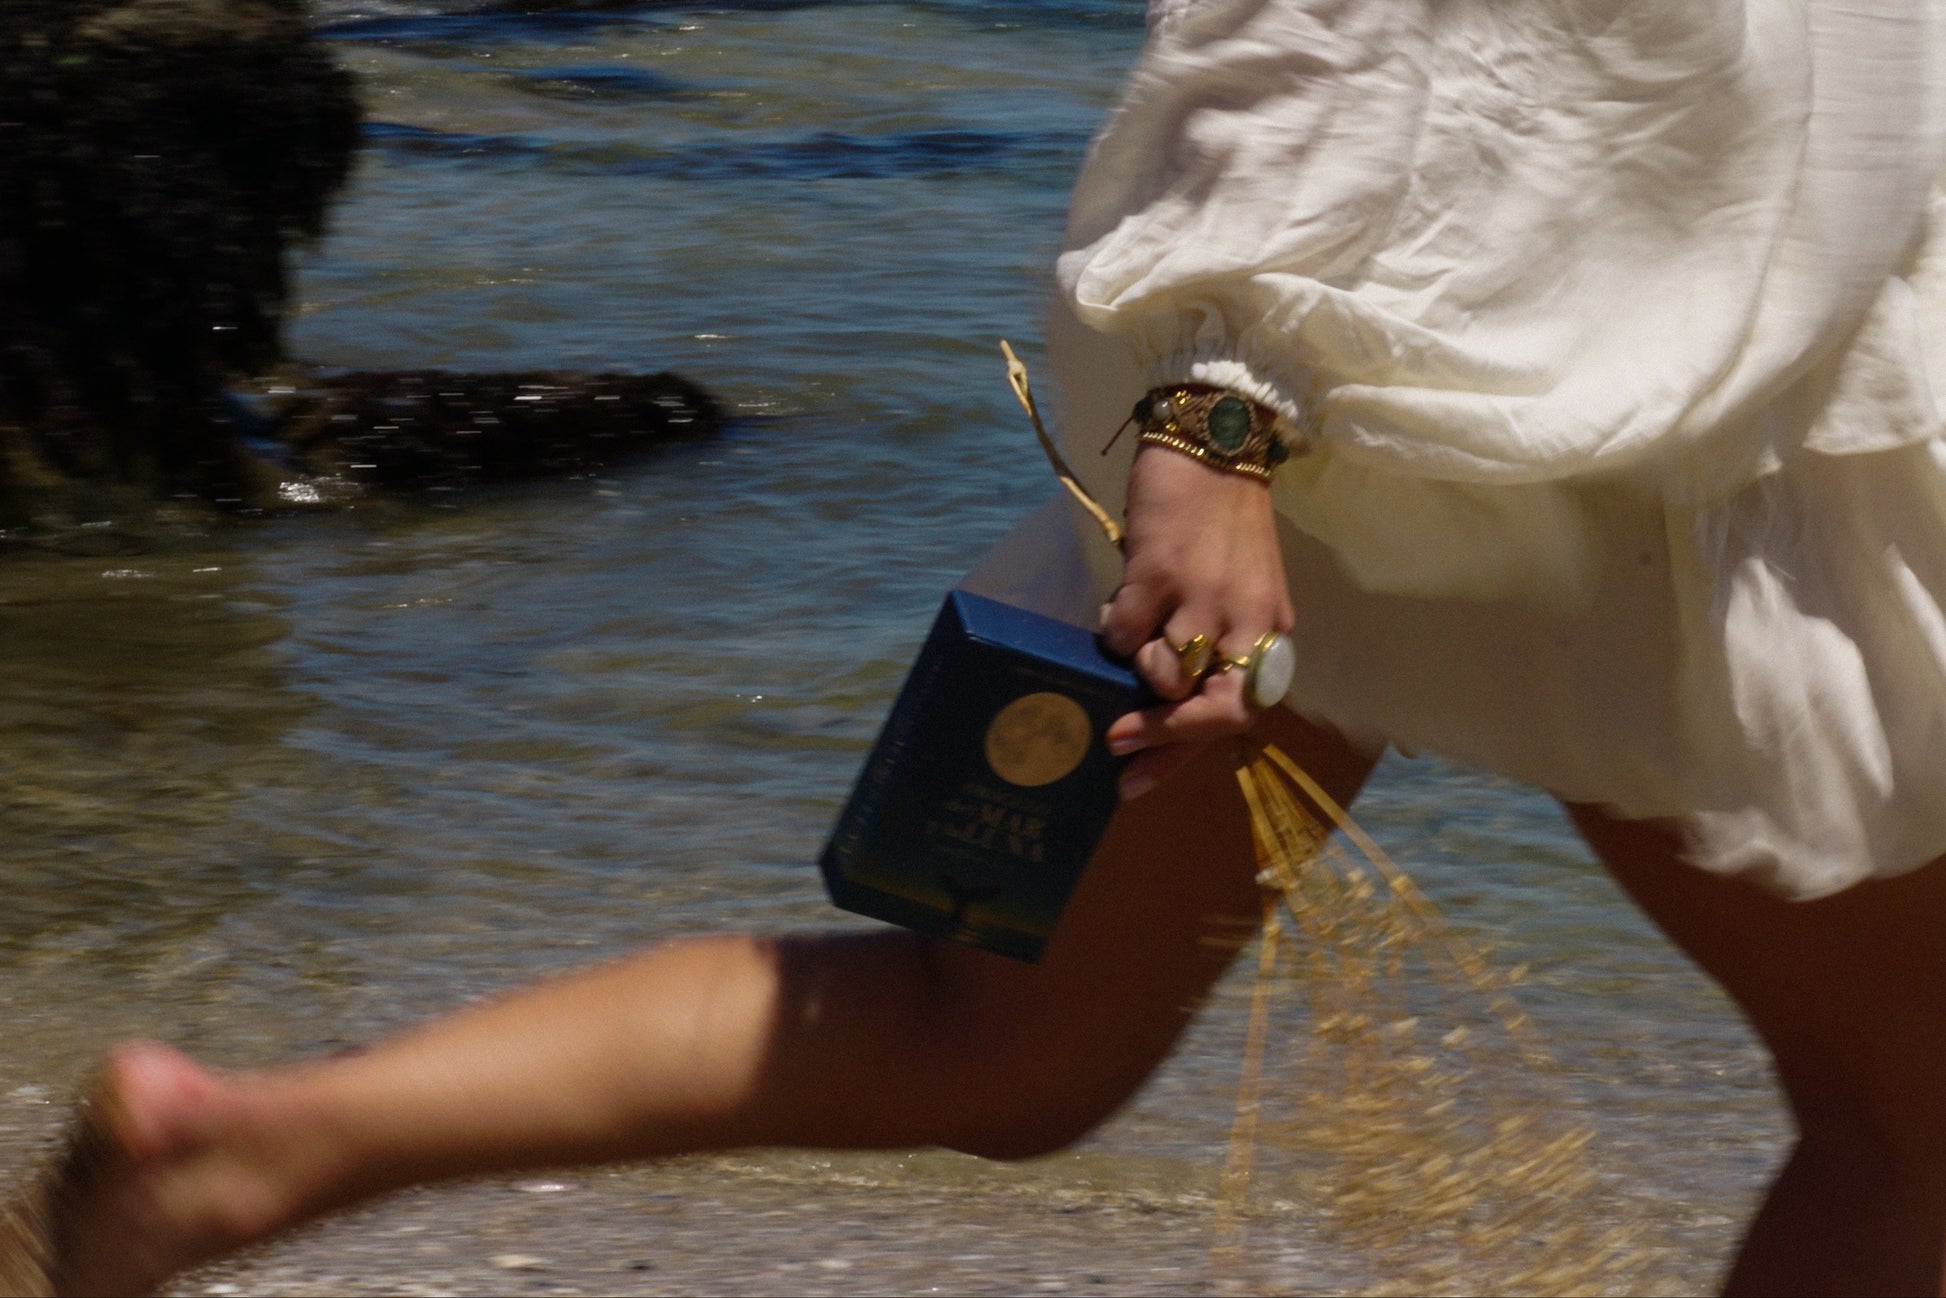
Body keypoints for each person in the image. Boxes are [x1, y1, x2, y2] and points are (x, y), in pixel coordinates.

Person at [10, 1, 1946, 1293]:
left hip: (1461, 405)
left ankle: (241, 1151)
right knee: (1913, 1133)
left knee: (1006, 1041)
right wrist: (1216, 414)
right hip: (1540, 431)